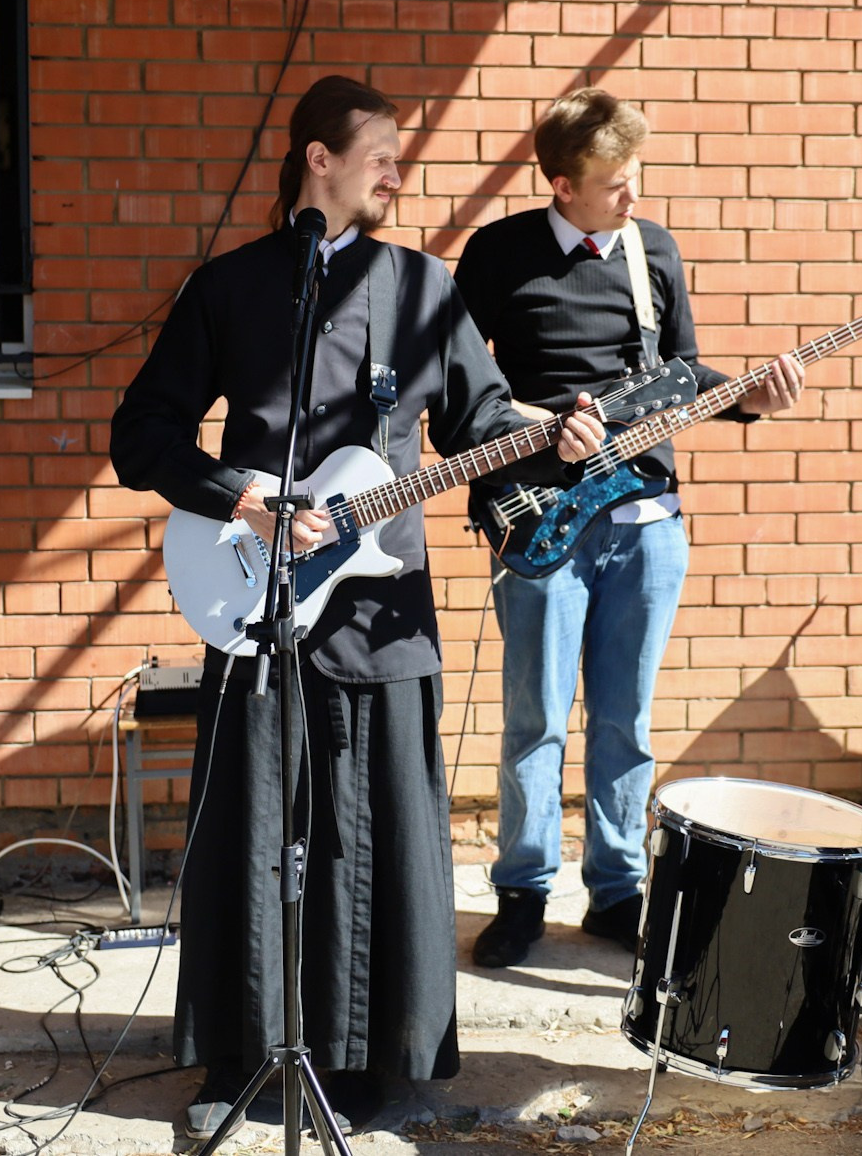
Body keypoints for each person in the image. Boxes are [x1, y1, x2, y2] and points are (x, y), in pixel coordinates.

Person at [110, 76, 604, 1138]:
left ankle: (385, 1062)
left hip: (383, 610)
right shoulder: (231, 287)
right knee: (252, 828)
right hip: (257, 596)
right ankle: (238, 1054)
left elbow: (479, 431)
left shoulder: (425, 289)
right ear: (315, 160)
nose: (395, 169)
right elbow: (140, 433)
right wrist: (235, 492)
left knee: (383, 826)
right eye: (378, 150)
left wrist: (553, 451)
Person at [451, 87, 805, 970]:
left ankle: (615, 892)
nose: (632, 197)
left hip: (645, 521)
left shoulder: (654, 251)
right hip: (539, 520)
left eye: (636, 178)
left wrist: (747, 398)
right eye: (614, 183)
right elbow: (458, 397)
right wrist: (540, 424)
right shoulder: (497, 254)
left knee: (625, 721)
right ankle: (522, 893)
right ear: (562, 184)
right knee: (534, 717)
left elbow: (681, 373)